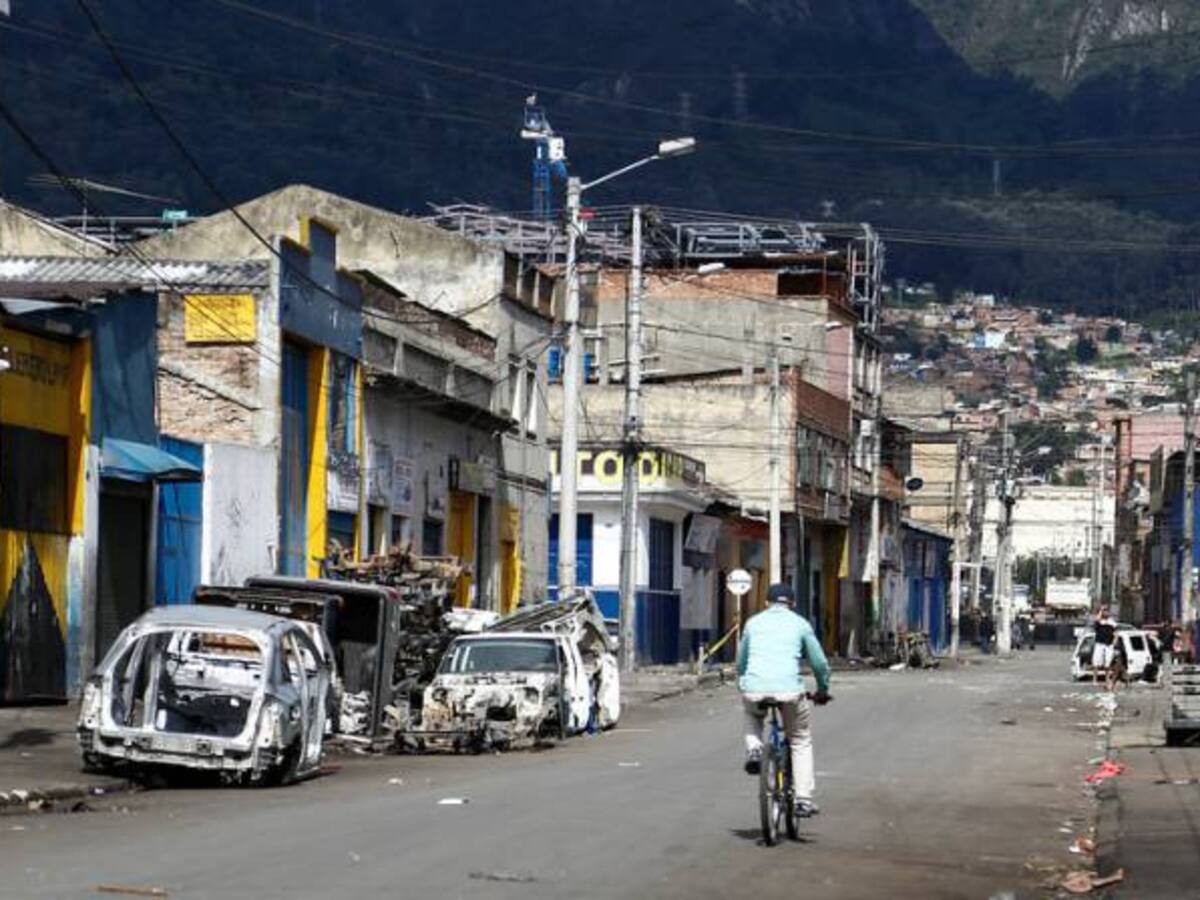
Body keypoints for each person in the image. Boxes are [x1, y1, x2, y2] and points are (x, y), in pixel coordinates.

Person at [737, 583, 831, 818]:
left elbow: (741, 661)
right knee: (799, 739)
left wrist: (743, 681)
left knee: (751, 713)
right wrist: (822, 689)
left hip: (755, 688)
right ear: (793, 604)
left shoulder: (753, 623)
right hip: (790, 692)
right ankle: (803, 799)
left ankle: (755, 749)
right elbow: (819, 664)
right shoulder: (801, 624)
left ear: (766, 603)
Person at [1092, 605, 1117, 686]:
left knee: (1108, 663)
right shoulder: (1099, 621)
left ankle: (1107, 679)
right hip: (1099, 643)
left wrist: (1114, 642)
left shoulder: (1112, 622)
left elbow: (1116, 633)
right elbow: (1096, 620)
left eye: (1107, 611)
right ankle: (1095, 680)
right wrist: (1100, 610)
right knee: (1096, 662)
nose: (1105, 613)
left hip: (1108, 644)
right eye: (1104, 611)